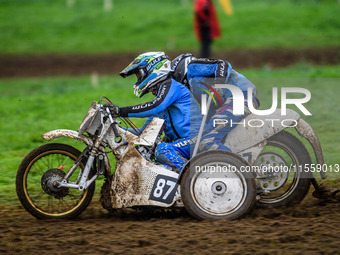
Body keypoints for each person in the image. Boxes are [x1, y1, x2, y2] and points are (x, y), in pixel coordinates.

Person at [107, 52, 202, 173]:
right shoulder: (163, 100)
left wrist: (120, 111)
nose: (139, 78)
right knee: (155, 162)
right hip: (185, 143)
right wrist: (114, 129)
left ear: (154, 69)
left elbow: (154, 106)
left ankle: (192, 177)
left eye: (140, 74)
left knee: (163, 150)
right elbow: (142, 133)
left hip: (197, 139)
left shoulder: (172, 85)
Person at [171, 53, 260, 152]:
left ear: (179, 71)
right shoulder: (198, 90)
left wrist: (219, 84)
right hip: (238, 99)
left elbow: (223, 64)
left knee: (208, 140)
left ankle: (232, 165)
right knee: (206, 137)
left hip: (240, 97)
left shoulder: (192, 67)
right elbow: (208, 113)